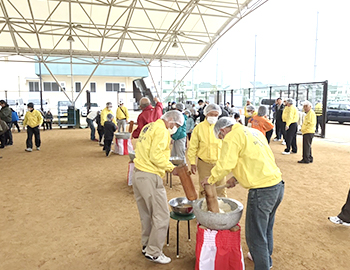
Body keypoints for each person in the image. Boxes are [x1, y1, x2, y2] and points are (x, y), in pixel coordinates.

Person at [202, 117, 284, 270]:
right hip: (277, 186)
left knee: (255, 236)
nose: (222, 140)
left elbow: (225, 164)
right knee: (266, 228)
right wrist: (237, 178)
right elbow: (256, 160)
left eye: (221, 137)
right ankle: (265, 258)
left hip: (262, 192)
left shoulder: (232, 136)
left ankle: (262, 265)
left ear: (222, 130)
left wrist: (211, 179)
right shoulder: (254, 132)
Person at [133, 110, 183, 264]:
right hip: (150, 175)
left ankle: (147, 245)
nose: (174, 128)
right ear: (171, 121)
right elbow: (156, 156)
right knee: (161, 215)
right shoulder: (162, 131)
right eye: (175, 125)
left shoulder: (150, 127)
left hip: (138, 173)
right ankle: (154, 252)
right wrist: (171, 168)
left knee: (147, 214)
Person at [187, 103, 227, 198]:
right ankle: (203, 211)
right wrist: (192, 162)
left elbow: (228, 146)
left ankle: (221, 212)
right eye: (211, 114)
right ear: (206, 114)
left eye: (216, 115)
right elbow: (193, 147)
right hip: (204, 164)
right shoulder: (198, 128)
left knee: (221, 189)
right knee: (204, 189)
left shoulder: (222, 128)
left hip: (220, 163)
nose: (213, 117)